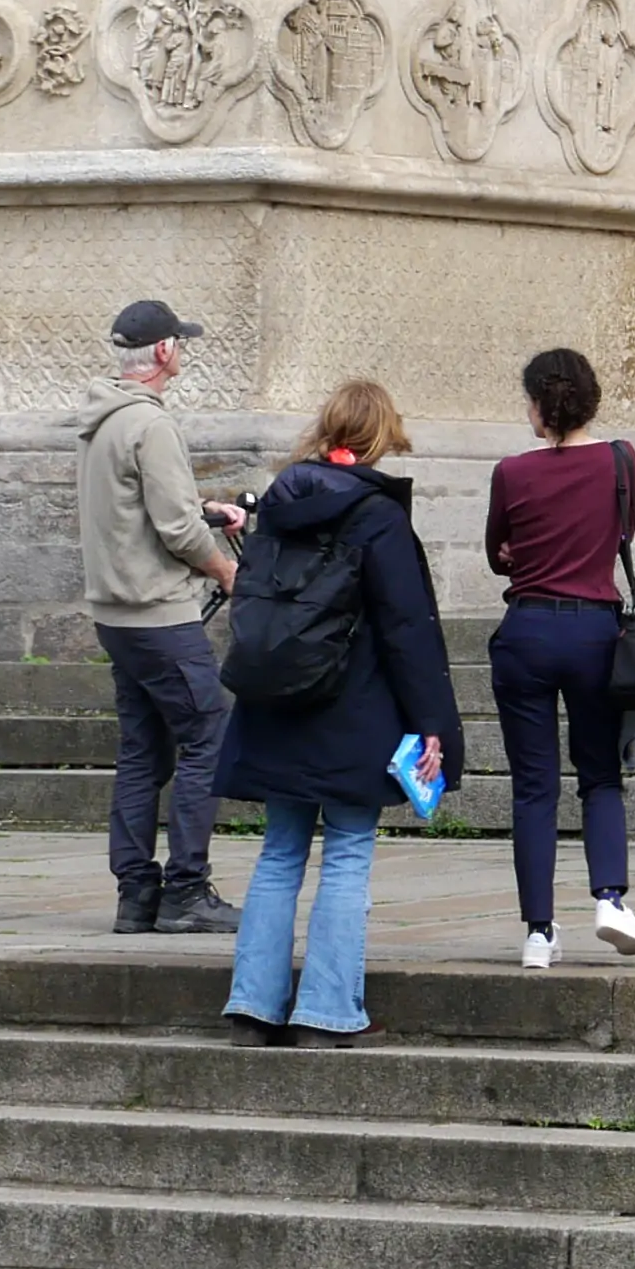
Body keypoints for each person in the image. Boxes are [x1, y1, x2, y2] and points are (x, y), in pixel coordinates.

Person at [217, 379, 465, 1048]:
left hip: (276, 704)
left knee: (278, 854)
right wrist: (432, 724)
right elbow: (407, 628)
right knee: (348, 851)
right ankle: (327, 1013)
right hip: (352, 708)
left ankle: (252, 1007)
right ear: (383, 435)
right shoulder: (377, 516)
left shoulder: (279, 504)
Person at [483, 344, 635, 972]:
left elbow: (496, 552)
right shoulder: (621, 461)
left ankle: (538, 931)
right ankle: (610, 898)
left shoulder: (511, 471)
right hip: (592, 632)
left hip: (526, 630)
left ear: (538, 402)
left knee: (533, 787)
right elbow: (623, 533)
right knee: (600, 775)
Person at [78, 297, 242, 936]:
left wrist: (204, 506)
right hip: (159, 616)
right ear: (166, 352)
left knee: (143, 749)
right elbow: (176, 531)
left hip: (114, 615)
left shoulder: (102, 421)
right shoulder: (152, 425)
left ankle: (135, 893)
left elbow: (139, 507)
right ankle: (186, 891)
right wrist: (228, 570)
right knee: (209, 732)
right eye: (182, 344)